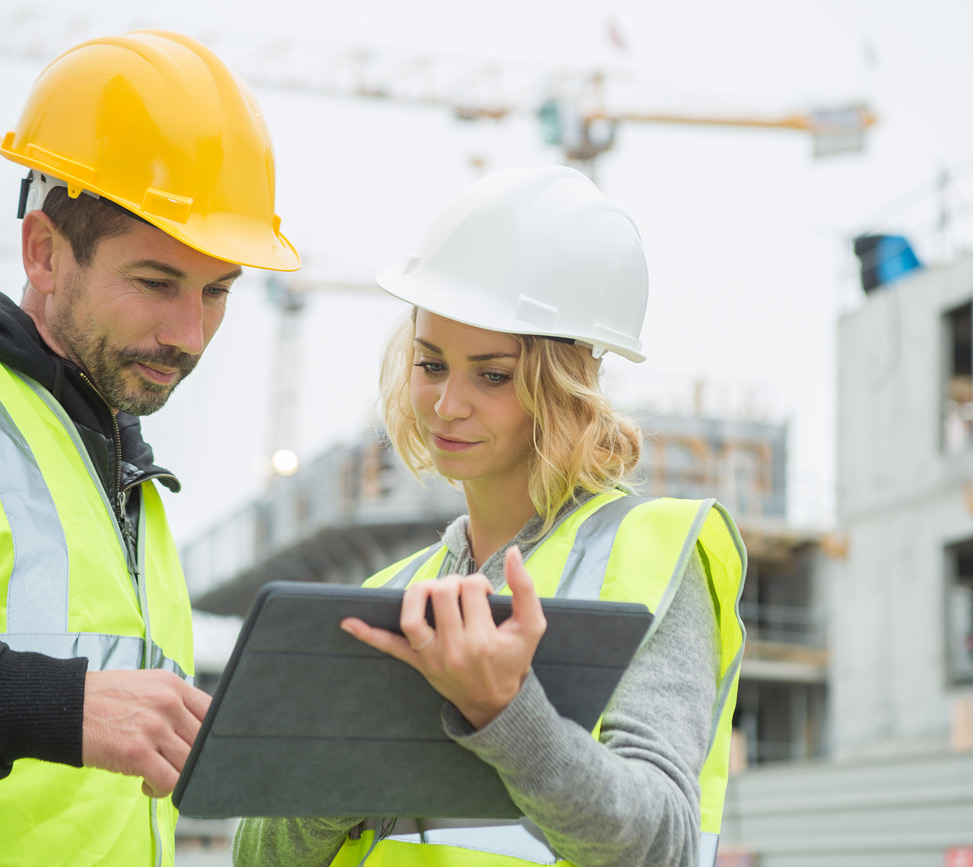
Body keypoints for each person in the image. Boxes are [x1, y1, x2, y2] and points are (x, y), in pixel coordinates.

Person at [0, 30, 299, 864]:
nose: (189, 333)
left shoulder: (129, 481)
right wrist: (45, 704)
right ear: (45, 251)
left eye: (217, 292)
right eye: (156, 283)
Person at [233, 166, 746, 867]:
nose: (447, 404)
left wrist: (508, 715)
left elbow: (661, 845)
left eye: (493, 374)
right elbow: (259, 857)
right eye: (431, 362)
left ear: (562, 386)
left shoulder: (651, 554)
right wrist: (353, 752)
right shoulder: (388, 592)